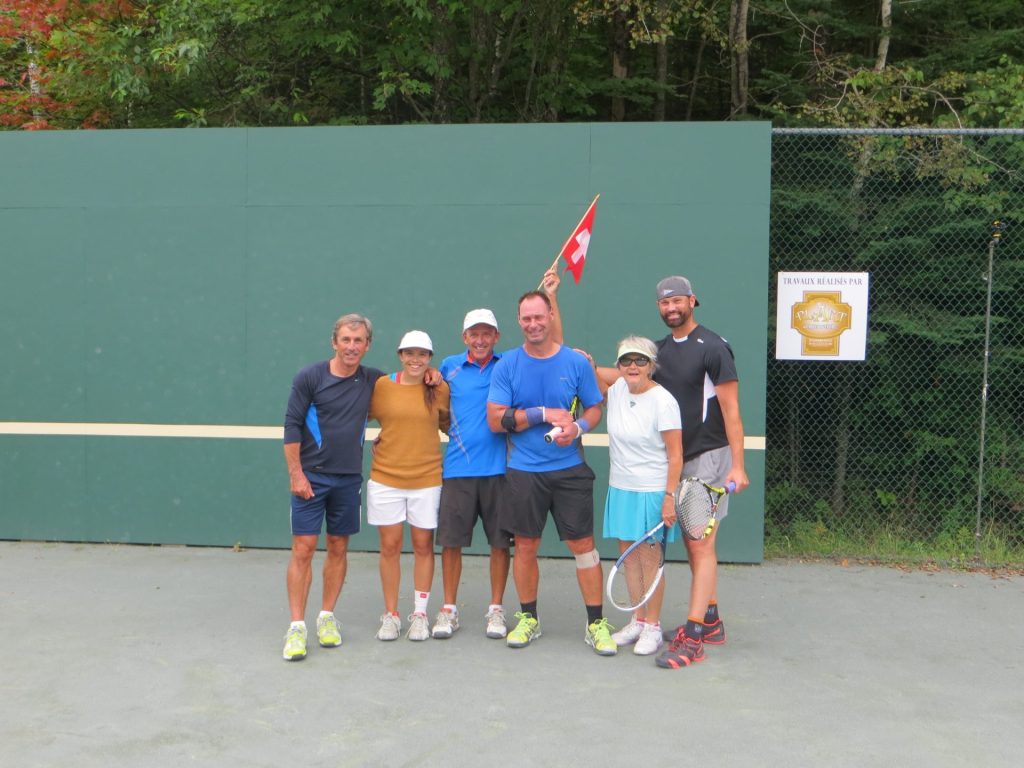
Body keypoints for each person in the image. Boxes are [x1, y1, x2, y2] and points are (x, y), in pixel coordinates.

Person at [587, 275, 749, 669]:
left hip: (707, 458)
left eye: (677, 301)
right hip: (674, 460)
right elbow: (621, 374)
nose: (671, 308)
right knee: (694, 546)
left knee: (699, 544)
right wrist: (586, 363)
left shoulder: (714, 347)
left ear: (693, 300)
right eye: (664, 303)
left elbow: (731, 410)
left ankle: (694, 635)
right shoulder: (656, 353)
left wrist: (739, 465)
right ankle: (710, 619)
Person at [431, 271, 563, 641]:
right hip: (458, 469)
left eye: (486, 333)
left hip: (503, 471)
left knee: (498, 545)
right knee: (452, 544)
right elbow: (431, 408)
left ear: (496, 337)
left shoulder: (510, 364)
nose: (480, 339)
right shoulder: (447, 368)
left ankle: (495, 610)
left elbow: (551, 344)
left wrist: (551, 297)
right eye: (474, 333)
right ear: (464, 338)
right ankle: (449, 609)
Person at [486, 290, 615, 656]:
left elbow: (593, 409)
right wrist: (543, 413)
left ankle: (596, 624)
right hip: (523, 471)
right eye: (526, 318)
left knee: (584, 548)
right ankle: (529, 619)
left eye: (538, 317)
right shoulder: (507, 365)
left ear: (549, 316)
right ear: (519, 321)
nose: (533, 324)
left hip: (569, 469)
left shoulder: (574, 363)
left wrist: (578, 429)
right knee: (525, 546)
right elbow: (496, 420)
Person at [281, 314, 382, 661]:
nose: (352, 347)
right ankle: (296, 626)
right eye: (346, 340)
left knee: (338, 547)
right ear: (334, 342)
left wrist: (430, 374)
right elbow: (292, 425)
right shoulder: (310, 377)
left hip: (348, 478)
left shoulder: (374, 380)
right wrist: (296, 474)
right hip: (311, 477)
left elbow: (407, 388)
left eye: (358, 341)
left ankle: (326, 617)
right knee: (303, 549)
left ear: (367, 345)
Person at [601, 336, 683, 656]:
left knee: (650, 561)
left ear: (652, 366)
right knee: (629, 558)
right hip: (621, 487)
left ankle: (653, 626)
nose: (633, 366)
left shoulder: (664, 401)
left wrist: (669, 496)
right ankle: (637, 618)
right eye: (626, 361)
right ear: (618, 365)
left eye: (640, 361)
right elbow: (581, 365)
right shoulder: (618, 388)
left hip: (652, 490)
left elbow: (676, 455)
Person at [367, 330, 451, 642]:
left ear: (430, 358)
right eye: (409, 353)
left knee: (423, 546)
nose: (415, 360)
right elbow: (366, 416)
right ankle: (390, 615)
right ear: (400, 356)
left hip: (426, 479)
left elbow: (448, 424)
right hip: (386, 478)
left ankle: (419, 614)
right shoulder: (382, 386)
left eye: (422, 354)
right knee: (389, 547)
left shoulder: (439, 387)